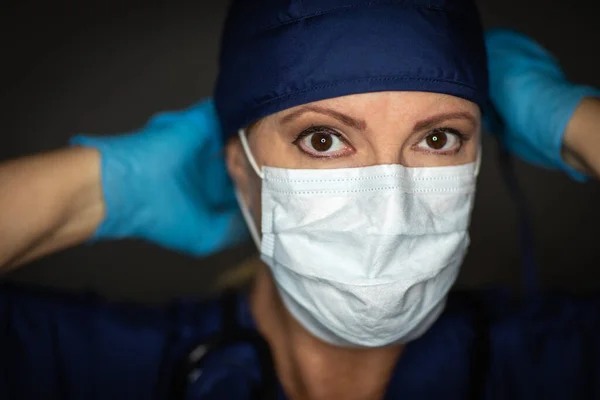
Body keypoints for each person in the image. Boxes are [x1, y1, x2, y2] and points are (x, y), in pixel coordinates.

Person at [0, 2, 599, 399]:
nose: (391, 207)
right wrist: (104, 185)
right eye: (323, 139)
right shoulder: (97, 368)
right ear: (241, 168)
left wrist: (573, 122)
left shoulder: (563, 363)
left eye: (438, 138)